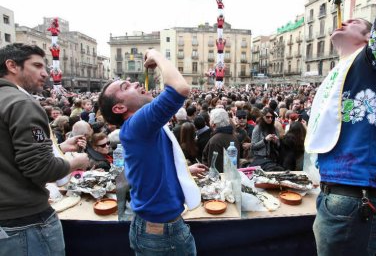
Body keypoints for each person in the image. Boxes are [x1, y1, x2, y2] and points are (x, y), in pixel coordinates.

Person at [304, 0, 376, 255]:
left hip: (356, 197)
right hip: (341, 195)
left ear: (371, 39)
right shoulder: (342, 71)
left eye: (355, 21)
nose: (345, 19)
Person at [98, 49, 200, 255]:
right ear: (119, 108)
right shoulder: (138, 124)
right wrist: (156, 54)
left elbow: (153, 163)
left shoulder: (141, 128)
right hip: (164, 235)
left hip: (153, 229)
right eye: (126, 86)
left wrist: (184, 171)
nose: (136, 83)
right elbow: (180, 88)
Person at [0, 43, 89, 255]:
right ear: (12, 65)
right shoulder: (21, 103)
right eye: (37, 66)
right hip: (25, 223)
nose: (45, 73)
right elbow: (40, 168)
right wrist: (76, 161)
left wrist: (58, 148)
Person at [202, 108, 239, 172]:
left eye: (210, 120)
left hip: (222, 178)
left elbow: (214, 166)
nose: (209, 122)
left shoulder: (215, 140)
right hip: (231, 175)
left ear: (213, 124)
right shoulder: (233, 137)